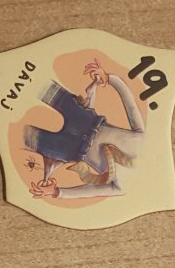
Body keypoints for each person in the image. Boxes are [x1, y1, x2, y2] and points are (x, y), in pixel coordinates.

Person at [25, 59, 145, 200]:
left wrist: (57, 192)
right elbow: (131, 105)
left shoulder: (125, 187)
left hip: (70, 149)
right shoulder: (144, 141)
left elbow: (90, 191)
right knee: (43, 87)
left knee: (25, 136)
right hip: (84, 118)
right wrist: (109, 78)